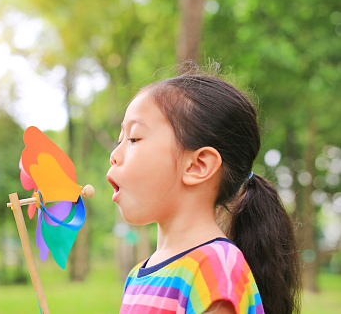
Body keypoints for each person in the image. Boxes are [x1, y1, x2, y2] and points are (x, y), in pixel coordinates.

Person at [106, 68, 301, 314]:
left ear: (197, 166)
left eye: (134, 138)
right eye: (119, 140)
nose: (114, 155)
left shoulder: (214, 267)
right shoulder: (137, 276)